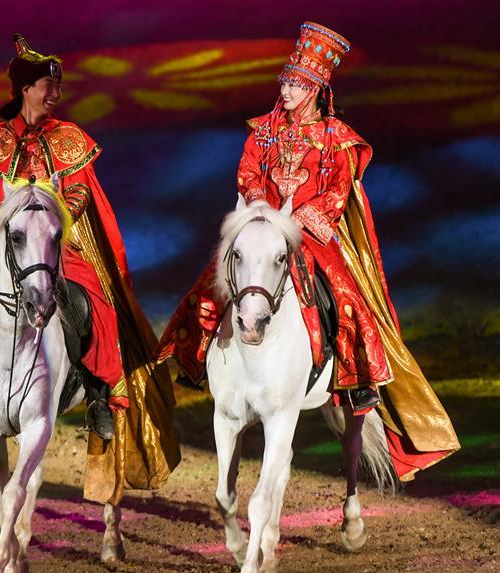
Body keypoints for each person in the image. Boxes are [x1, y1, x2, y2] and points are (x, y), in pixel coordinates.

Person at [157, 22, 459, 481]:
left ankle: (357, 381)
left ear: (317, 88)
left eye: (297, 83)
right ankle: (196, 356)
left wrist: (296, 220)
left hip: (309, 235)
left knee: (345, 295)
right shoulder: (263, 131)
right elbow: (247, 172)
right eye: (286, 80)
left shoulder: (338, 138)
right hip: (262, 224)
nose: (288, 89)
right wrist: (261, 207)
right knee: (215, 282)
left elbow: (337, 192)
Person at [0, 35, 180, 502]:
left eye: (57, 85)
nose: (54, 94)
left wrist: (55, 218)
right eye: (46, 85)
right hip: (5, 248)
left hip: (57, 244)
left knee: (96, 304)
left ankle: (99, 395)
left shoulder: (70, 139)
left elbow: (81, 192)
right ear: (25, 89)